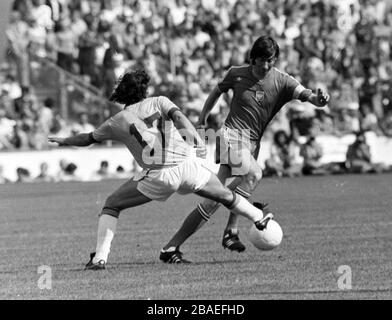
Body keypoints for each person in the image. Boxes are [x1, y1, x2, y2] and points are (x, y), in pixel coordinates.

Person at [48, 70, 274, 270]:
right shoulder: (159, 101)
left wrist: (64, 141)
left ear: (121, 94)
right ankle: (259, 218)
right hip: (188, 166)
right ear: (144, 90)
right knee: (225, 195)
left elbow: (87, 139)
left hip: (160, 175)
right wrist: (194, 137)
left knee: (111, 204)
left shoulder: (116, 121)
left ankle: (99, 258)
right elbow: (178, 117)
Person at [161, 35, 330, 257]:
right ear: (253, 58)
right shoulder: (236, 73)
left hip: (251, 144)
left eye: (270, 60)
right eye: (261, 60)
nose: (266, 65)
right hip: (230, 135)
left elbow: (307, 95)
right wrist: (202, 119)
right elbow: (216, 92)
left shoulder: (283, 80)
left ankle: (171, 247)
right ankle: (231, 229)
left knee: (213, 200)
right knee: (254, 174)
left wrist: (320, 100)